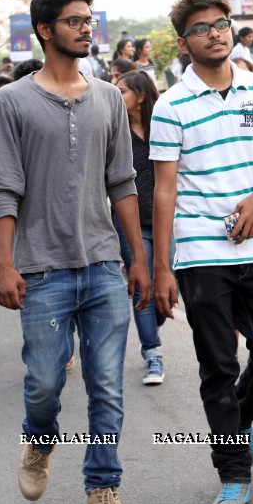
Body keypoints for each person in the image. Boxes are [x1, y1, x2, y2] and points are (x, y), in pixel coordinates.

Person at [0, 0, 147, 504]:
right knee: (44, 383)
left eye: (89, 19)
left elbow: (123, 183)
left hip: (104, 265)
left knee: (107, 385)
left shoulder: (107, 96)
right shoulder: (10, 101)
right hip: (42, 270)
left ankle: (102, 491)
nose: (87, 28)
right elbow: (3, 189)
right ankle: (39, 439)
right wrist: (4, 265)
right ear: (44, 30)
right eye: (75, 20)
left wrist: (140, 259)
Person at [150, 0, 253, 504]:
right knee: (217, 363)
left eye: (222, 23)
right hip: (198, 252)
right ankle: (232, 472)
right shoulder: (171, 105)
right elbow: (164, 190)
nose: (216, 32)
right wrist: (162, 266)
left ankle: (236, 421)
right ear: (184, 42)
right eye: (202, 27)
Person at [112, 70, 170, 384]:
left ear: (141, 97)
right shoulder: (114, 132)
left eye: (121, 92)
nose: (115, 96)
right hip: (130, 223)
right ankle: (153, 354)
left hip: (168, 221)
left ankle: (151, 323)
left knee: (165, 291)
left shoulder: (164, 127)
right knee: (142, 285)